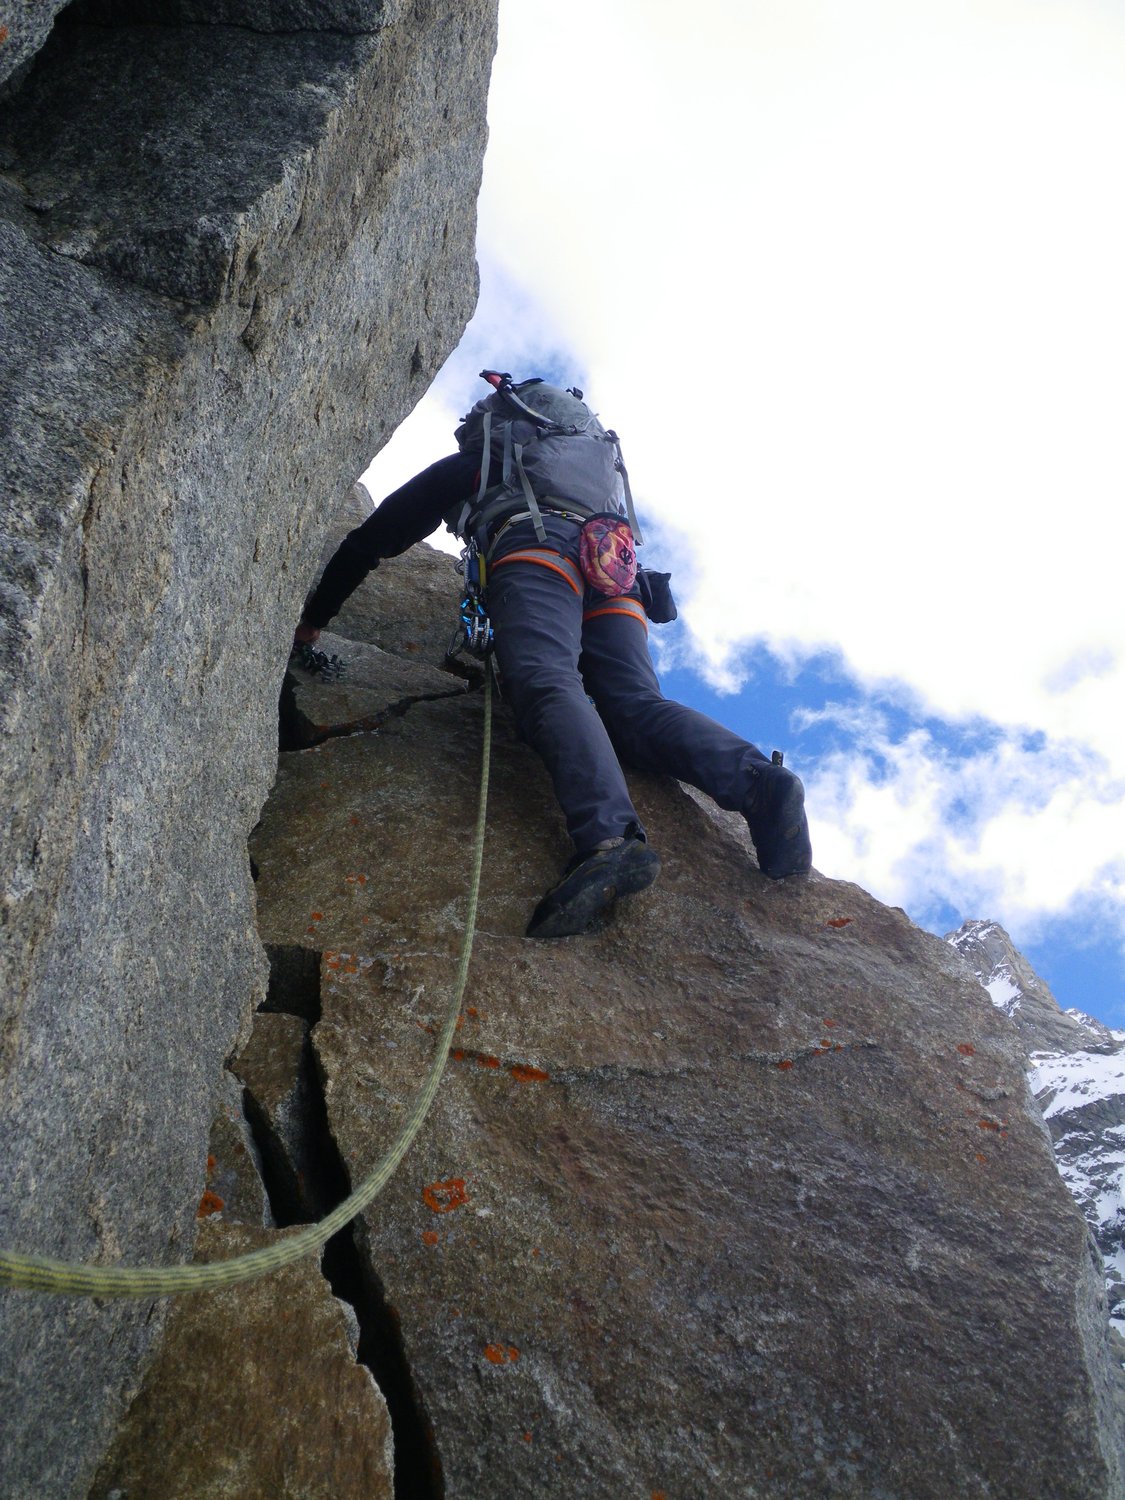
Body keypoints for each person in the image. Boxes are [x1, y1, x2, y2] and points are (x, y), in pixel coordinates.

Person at [295, 372, 812, 938]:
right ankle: (760, 783)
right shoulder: (592, 477)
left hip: (538, 554)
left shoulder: (489, 460)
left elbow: (374, 537)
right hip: (614, 570)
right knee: (634, 705)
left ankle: (610, 841)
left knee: (545, 680)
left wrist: (312, 620)